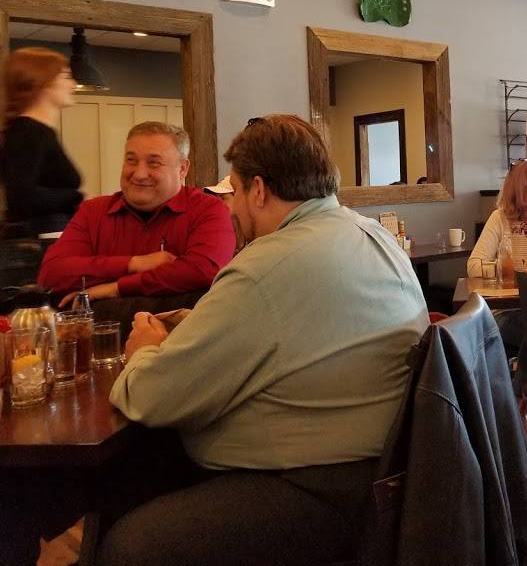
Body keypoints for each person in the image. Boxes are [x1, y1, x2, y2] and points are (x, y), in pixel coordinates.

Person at [97, 114, 429, 565]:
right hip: (386, 475)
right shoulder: (371, 234)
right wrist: (199, 322)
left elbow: (152, 397)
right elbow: (300, 326)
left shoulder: (266, 265)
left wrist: (143, 352)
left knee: (130, 545)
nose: (231, 207)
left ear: (258, 189)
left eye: (233, 191)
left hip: (320, 490)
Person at [38, 121, 235, 303]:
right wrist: (134, 264)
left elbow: (203, 270)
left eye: (154, 163)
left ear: (183, 169)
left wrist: (115, 288)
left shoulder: (208, 209)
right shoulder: (93, 212)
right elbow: (51, 275)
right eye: (131, 160)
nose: (139, 174)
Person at [0, 47, 83, 235]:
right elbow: (22, 196)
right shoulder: (29, 131)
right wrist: (76, 197)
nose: (73, 85)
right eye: (66, 77)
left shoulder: (35, 131)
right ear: (43, 82)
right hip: (42, 236)